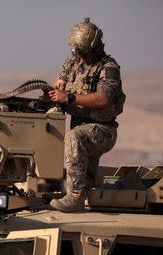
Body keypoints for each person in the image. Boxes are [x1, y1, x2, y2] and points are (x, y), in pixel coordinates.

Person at [48, 17, 125, 212]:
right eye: (77, 51)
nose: (79, 55)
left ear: (94, 48)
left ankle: (75, 197)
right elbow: (59, 84)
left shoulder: (109, 68)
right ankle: (84, 194)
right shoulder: (73, 62)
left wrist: (69, 98)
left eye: (82, 51)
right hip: (79, 123)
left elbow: (102, 99)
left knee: (75, 138)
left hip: (103, 130)